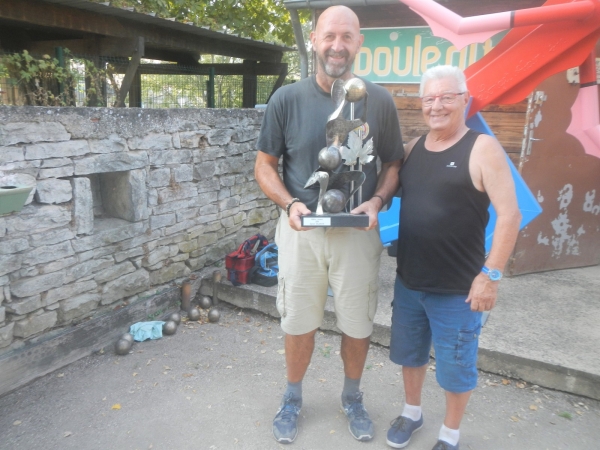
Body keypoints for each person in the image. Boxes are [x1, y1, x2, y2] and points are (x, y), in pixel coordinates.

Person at [254, 5, 404, 445]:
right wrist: (288, 204)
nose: (337, 45)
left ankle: (352, 398)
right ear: (315, 40)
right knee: (298, 320)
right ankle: (293, 398)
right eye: (329, 36)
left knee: (357, 323)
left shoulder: (379, 101)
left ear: (359, 43)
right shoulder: (287, 99)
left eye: (347, 37)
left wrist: (377, 200)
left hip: (358, 233)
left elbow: (394, 162)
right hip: (302, 231)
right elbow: (264, 165)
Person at [385, 64, 522, 450]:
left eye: (447, 96)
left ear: (464, 99)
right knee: (410, 356)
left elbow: (510, 214)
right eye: (429, 98)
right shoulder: (412, 150)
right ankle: (412, 413)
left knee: (456, 368)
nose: (437, 105)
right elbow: (380, 190)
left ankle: (450, 434)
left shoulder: (482, 148)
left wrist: (490, 275)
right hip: (409, 282)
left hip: (459, 291)